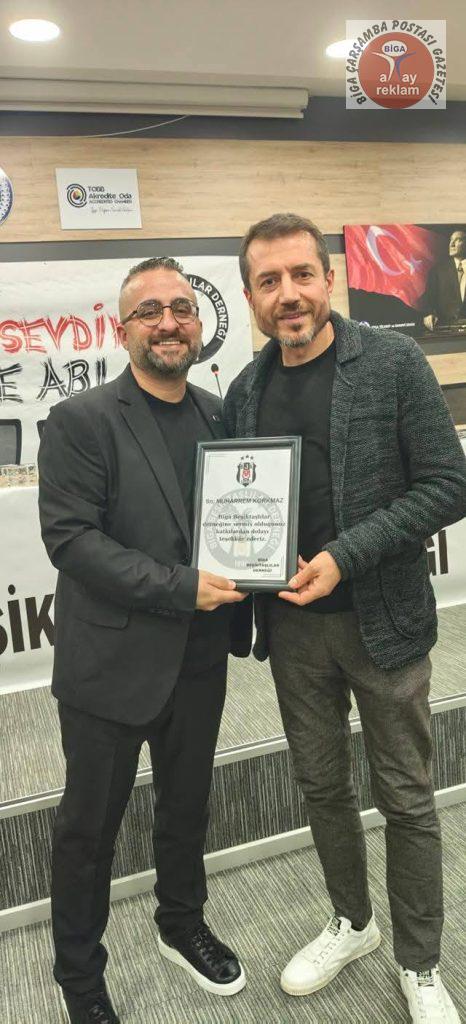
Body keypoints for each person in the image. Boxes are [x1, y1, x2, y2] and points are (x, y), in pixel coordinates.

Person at [224, 213, 466, 1024]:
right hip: (292, 631)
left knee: (406, 797)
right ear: (251, 297)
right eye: (269, 281)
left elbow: (449, 483)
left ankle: (420, 962)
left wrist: (345, 554)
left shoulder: (392, 362)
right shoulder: (245, 391)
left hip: (383, 621)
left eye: (302, 274)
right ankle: (353, 922)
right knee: (322, 787)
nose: (288, 294)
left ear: (329, 279)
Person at [38, 256, 249, 1024]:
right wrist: (181, 586)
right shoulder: (82, 419)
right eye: (150, 311)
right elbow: (72, 541)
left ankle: (181, 923)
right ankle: (80, 980)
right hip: (111, 666)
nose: (169, 322)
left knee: (187, 808)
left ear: (199, 324)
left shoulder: (220, 415)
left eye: (182, 309)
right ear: (121, 328)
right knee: (89, 831)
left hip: (200, 657)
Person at [422, 228, 466, 330]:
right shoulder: (438, 271)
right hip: (445, 330)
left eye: (458, 240)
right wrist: (429, 314)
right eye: (451, 240)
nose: (451, 244)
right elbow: (429, 300)